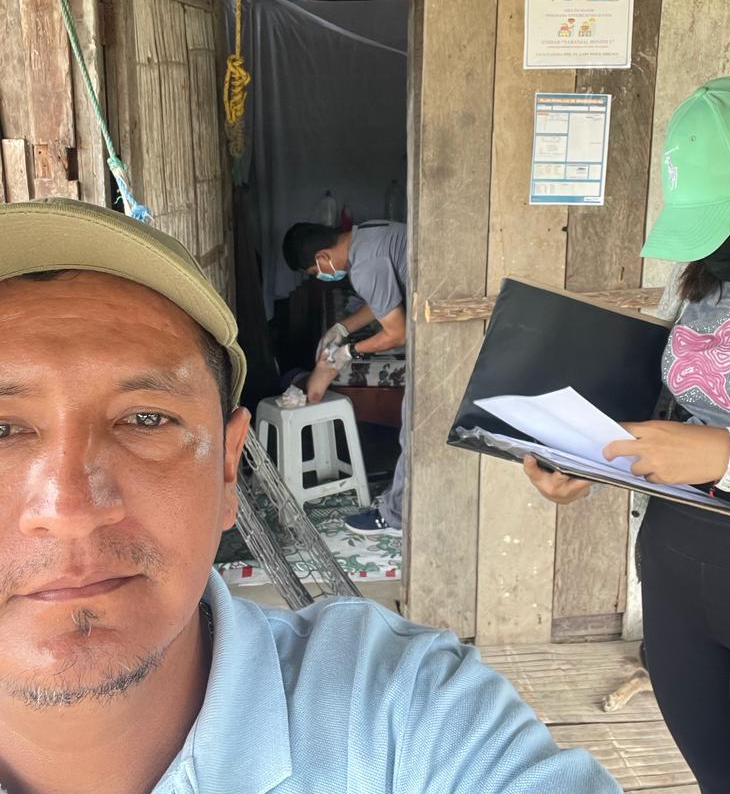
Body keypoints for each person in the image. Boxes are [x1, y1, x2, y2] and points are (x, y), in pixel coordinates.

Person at [0, 197, 620, 794]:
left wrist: (344, 353)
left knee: (411, 436)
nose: (69, 510)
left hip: (448, 361)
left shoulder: (400, 708)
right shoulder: (373, 242)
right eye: (3, 430)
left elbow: (394, 325)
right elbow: (375, 308)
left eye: (145, 419)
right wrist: (341, 332)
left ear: (228, 469)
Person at [524, 75, 730, 794]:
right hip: (677, 577)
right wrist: (588, 462)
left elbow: (708, 445)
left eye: (726, 216)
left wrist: (726, 454)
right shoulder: (696, 282)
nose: (712, 240)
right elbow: (667, 407)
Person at [282, 220, 408, 536]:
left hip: (447, 323)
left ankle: (396, 518)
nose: (321, 277)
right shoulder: (367, 235)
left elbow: (397, 333)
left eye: (315, 272)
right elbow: (383, 300)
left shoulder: (364, 265)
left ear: (323, 257)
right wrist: (342, 328)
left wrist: (349, 351)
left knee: (414, 428)